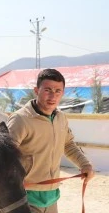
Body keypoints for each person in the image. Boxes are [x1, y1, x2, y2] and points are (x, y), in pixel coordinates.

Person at [7, 68, 95, 213]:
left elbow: (68, 145)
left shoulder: (61, 118)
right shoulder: (20, 120)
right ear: (36, 90)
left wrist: (85, 164)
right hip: (24, 198)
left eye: (58, 91)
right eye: (47, 90)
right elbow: (3, 157)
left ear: (63, 93)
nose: (53, 96)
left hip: (52, 196)